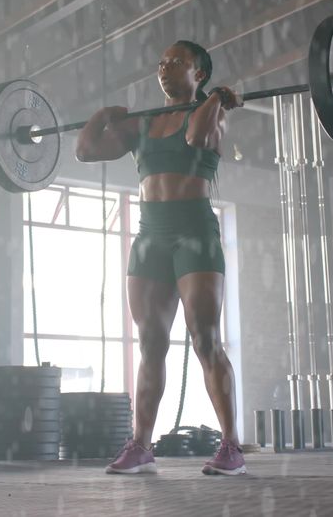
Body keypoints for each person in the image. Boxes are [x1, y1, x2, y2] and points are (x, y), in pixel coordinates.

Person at [76, 40, 245, 476]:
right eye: (161, 62)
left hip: (195, 234)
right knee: (151, 343)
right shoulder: (143, 124)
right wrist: (106, 114)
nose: (165, 68)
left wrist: (218, 99)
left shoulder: (212, 115)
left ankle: (230, 446)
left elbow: (194, 136)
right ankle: (141, 445)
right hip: (151, 236)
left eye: (177, 62)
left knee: (205, 339)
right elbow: (86, 150)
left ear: (199, 73)